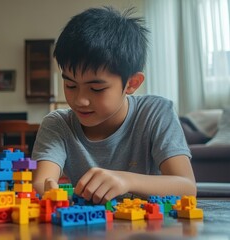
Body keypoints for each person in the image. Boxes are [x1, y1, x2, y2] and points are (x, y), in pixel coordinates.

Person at [32, 7, 196, 204]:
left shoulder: (155, 113)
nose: (80, 100)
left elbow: (187, 187)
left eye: (96, 89)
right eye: (70, 85)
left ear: (132, 83)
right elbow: (41, 185)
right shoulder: (57, 124)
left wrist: (125, 180)